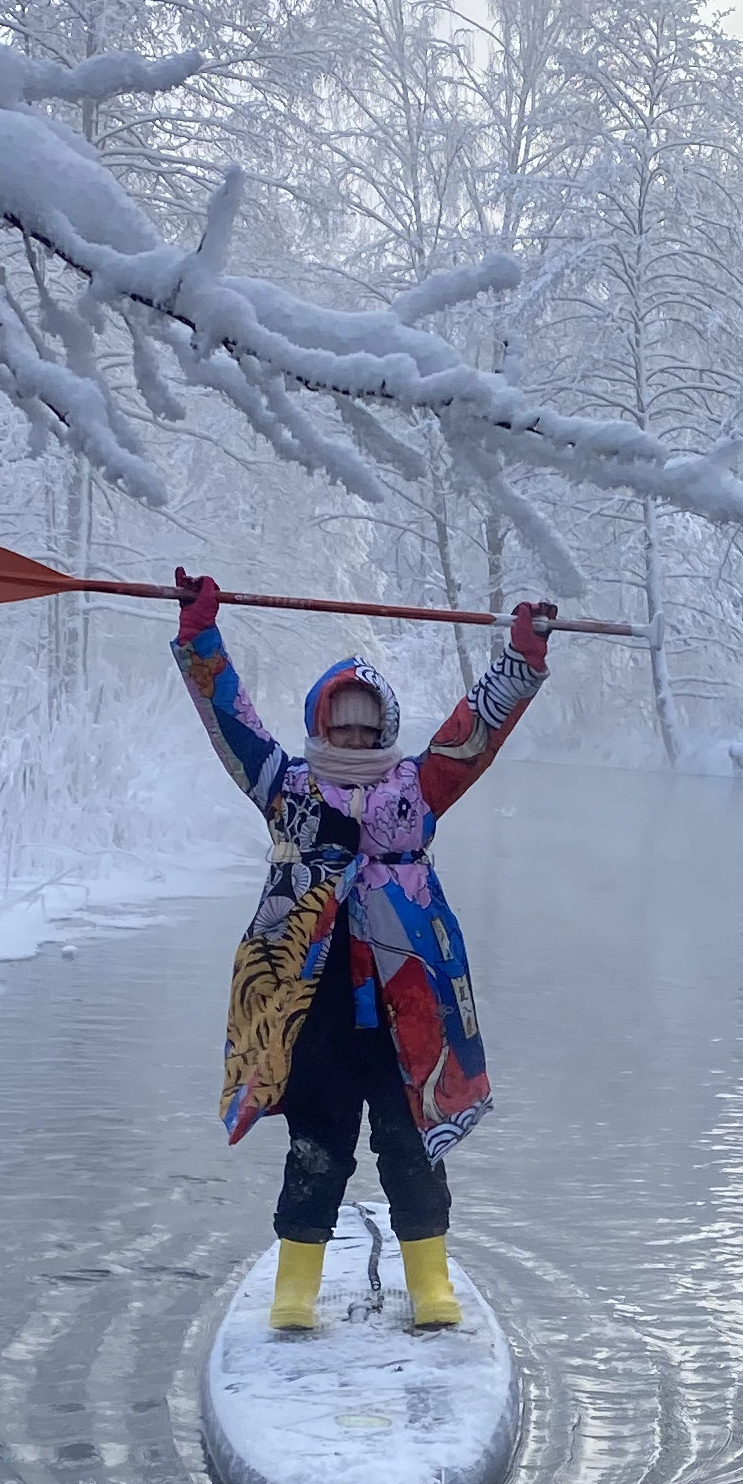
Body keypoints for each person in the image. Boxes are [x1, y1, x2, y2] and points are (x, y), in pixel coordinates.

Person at [170, 569, 555, 1332]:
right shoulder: (287, 789)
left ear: (385, 729)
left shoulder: (417, 787)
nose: (353, 737)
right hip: (312, 1012)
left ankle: (431, 1284)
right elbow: (230, 720)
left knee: (413, 1145)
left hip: (407, 1008)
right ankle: (294, 1292)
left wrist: (524, 658)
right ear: (320, 725)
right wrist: (198, 637)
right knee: (317, 1145)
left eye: (366, 725)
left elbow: (473, 733)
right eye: (339, 724)